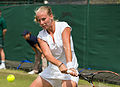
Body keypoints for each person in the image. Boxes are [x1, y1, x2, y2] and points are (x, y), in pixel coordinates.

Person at [30, 6, 79, 87]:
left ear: (51, 16)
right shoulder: (41, 36)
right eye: (39, 20)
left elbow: (67, 47)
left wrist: (70, 66)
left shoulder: (63, 26)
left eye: (43, 19)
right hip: (52, 71)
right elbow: (47, 55)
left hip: (69, 70)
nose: (41, 23)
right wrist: (60, 65)